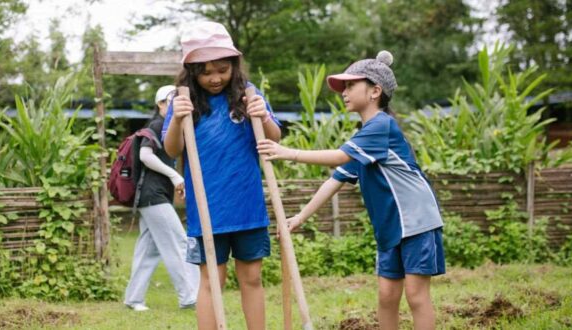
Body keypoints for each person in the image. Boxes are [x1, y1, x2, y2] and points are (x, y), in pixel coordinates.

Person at [257, 51, 445, 330]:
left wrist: (288, 152)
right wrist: (300, 218)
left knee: (416, 296)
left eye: (350, 86)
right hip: (391, 225)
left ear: (375, 91)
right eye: (343, 87)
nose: (344, 93)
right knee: (386, 295)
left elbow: (340, 157)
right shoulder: (364, 137)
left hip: (416, 220)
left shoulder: (381, 126)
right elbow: (334, 181)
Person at [162, 21, 282, 330]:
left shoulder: (248, 96)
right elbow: (172, 149)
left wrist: (263, 114)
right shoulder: (183, 102)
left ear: (234, 66)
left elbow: (274, 139)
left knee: (252, 277)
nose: (215, 78)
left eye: (222, 69)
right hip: (207, 207)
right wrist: (177, 118)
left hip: (247, 205)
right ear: (192, 71)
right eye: (205, 71)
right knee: (212, 280)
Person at [124, 85, 199, 311]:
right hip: (153, 195)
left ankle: (133, 299)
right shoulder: (157, 125)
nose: (174, 105)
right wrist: (175, 176)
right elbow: (145, 156)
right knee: (179, 242)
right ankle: (189, 297)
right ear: (160, 104)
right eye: (169, 101)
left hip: (151, 196)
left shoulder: (169, 128)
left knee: (149, 250)